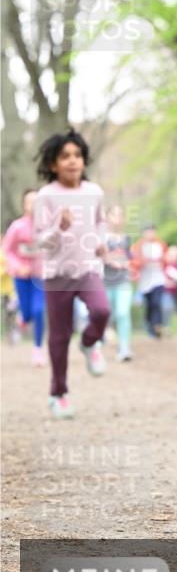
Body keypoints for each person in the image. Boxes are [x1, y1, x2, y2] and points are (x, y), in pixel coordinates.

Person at [33, 130, 111, 419]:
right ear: (53, 164)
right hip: (57, 275)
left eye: (77, 155)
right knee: (60, 336)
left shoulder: (94, 192)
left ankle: (90, 342)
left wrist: (101, 241)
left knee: (102, 311)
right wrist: (59, 228)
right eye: (65, 156)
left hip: (88, 268)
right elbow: (40, 240)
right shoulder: (46, 195)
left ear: (84, 161)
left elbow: (100, 222)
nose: (72, 161)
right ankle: (59, 394)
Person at [2, 189, 46, 365]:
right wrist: (17, 266)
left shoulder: (47, 227)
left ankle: (37, 349)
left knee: (39, 310)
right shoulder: (17, 227)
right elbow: (7, 251)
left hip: (40, 277)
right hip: (21, 278)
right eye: (30, 202)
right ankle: (22, 318)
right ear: (24, 205)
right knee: (28, 312)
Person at [103, 204, 134, 362]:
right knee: (106, 315)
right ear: (107, 218)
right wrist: (110, 261)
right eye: (114, 215)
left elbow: (130, 258)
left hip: (123, 281)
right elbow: (99, 256)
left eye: (120, 215)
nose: (117, 219)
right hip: (105, 283)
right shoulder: (101, 238)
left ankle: (124, 348)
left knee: (123, 313)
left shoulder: (127, 238)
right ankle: (98, 341)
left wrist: (128, 264)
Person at [130, 225, 167, 338]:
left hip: (159, 278)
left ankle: (157, 325)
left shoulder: (161, 244)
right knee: (149, 304)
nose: (150, 234)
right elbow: (133, 262)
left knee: (157, 302)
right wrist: (142, 263)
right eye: (148, 232)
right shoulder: (138, 246)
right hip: (145, 280)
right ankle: (150, 326)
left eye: (152, 231)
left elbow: (166, 259)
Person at [163, 245, 177, 329]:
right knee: (167, 308)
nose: (173, 258)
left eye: (176, 256)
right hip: (167, 292)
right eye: (171, 255)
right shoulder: (164, 266)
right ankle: (166, 326)